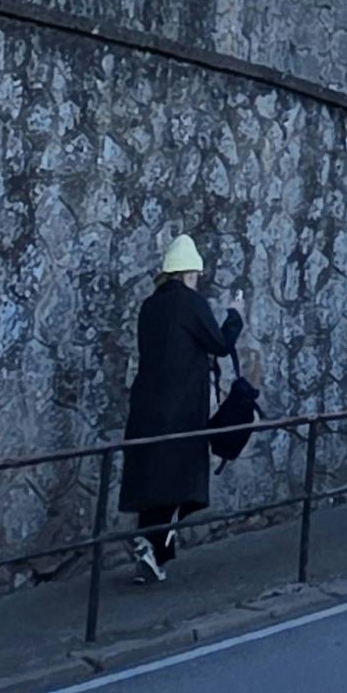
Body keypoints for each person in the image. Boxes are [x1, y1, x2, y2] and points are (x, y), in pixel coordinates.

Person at [120, 232, 244, 582]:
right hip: (181, 409)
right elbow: (219, 345)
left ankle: (152, 556)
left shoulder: (150, 306)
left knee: (156, 481)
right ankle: (151, 543)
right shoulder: (189, 303)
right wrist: (235, 316)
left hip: (146, 406)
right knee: (182, 484)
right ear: (190, 273)